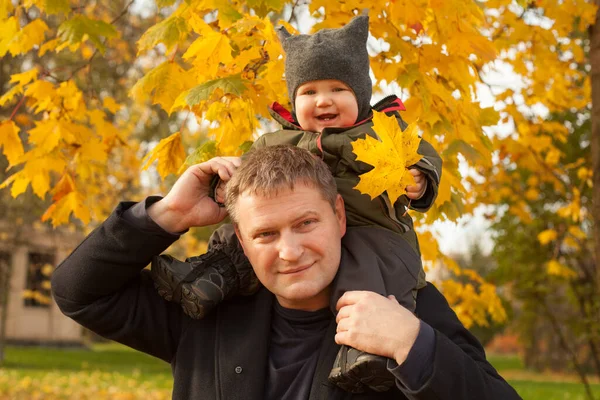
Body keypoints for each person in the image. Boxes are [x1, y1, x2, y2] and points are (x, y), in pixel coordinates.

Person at [51, 145, 521, 400]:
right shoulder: (206, 311)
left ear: (338, 216)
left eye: (306, 224)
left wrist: (413, 345)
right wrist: (168, 214)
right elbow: (79, 293)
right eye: (265, 234)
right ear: (241, 238)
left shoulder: (406, 305)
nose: (290, 251)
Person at [151, 14, 442, 393]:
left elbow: (422, 155)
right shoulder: (277, 141)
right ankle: (206, 280)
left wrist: (419, 177)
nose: (323, 100)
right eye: (308, 92)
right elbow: (251, 178)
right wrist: (227, 182)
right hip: (302, 229)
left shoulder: (383, 130)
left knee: (366, 275)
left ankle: (361, 351)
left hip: (373, 231)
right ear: (293, 100)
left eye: (337, 89)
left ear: (361, 94)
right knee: (237, 236)